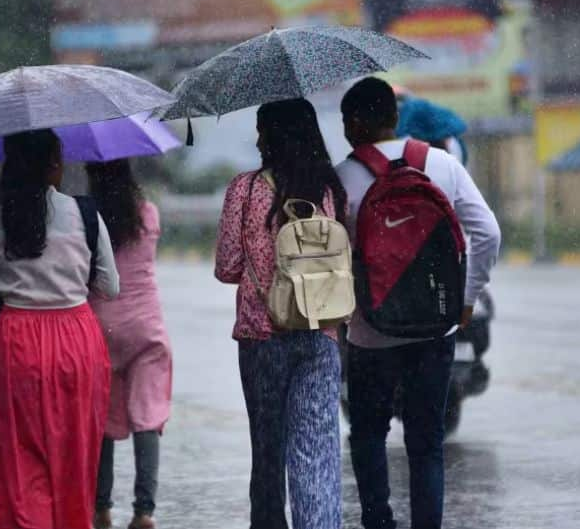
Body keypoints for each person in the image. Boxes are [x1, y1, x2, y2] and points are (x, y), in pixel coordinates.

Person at [337, 77, 501, 529]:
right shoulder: (443, 165)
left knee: (368, 434)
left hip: (370, 332)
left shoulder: (343, 179)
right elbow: (488, 233)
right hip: (435, 329)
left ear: (354, 124)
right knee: (426, 442)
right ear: (395, 117)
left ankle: (379, 522)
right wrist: (466, 299)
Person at [0, 128, 119, 529]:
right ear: (53, 165)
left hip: (15, 343)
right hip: (76, 342)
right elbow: (109, 285)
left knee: (20, 462)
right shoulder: (85, 214)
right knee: (74, 457)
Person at [215, 98, 348, 529]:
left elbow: (227, 267)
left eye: (260, 129)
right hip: (320, 333)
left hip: (262, 336)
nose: (256, 138)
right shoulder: (328, 189)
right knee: (317, 452)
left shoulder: (246, 189)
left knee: (268, 451)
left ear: (271, 135)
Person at [86, 159, 173, 529]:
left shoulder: (89, 217)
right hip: (145, 327)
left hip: (100, 325)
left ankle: (101, 507)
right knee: (148, 416)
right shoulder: (148, 213)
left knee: (101, 418)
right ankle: (144, 511)